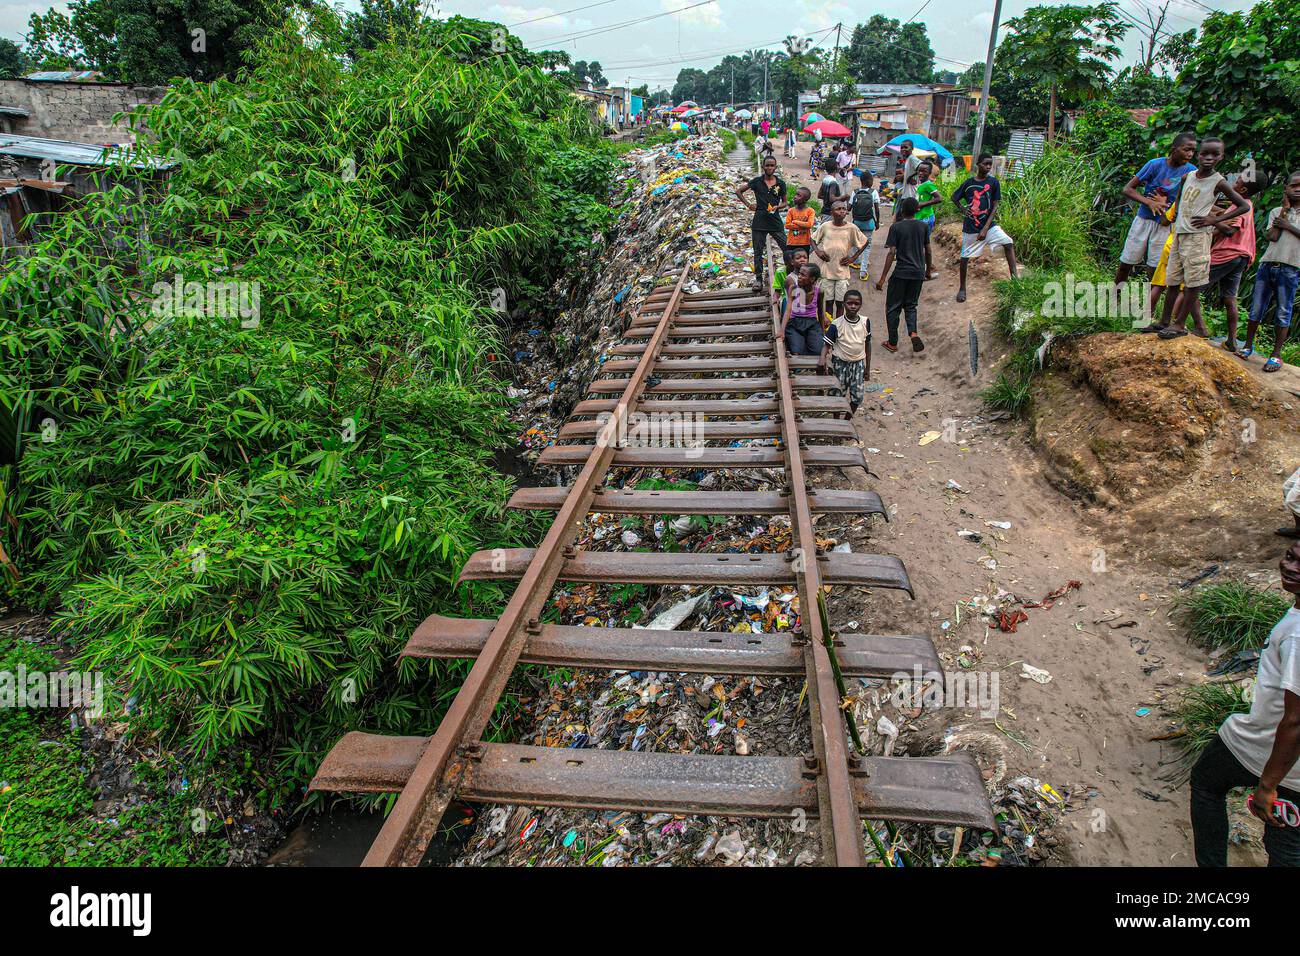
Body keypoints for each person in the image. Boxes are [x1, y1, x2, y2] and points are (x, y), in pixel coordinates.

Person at [1190, 539, 1300, 867]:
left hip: (1270, 747)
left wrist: (1267, 785)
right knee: (1287, 839)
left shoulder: (1298, 637)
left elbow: (1296, 721)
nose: (1290, 567)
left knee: (1207, 783)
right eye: (1290, 557)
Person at [1158, 138, 1251, 340]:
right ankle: (1164, 321)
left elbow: (1244, 206)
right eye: (1205, 153)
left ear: (1220, 157)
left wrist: (1214, 219)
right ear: (1198, 154)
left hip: (1198, 237)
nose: (1209, 158)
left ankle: (1179, 324)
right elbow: (1180, 199)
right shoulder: (1187, 176)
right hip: (1180, 234)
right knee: (1173, 280)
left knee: (1193, 283)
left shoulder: (1219, 182)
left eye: (1214, 154)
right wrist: (1174, 216)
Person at [1115, 133, 1199, 284]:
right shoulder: (1155, 165)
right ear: (1175, 148)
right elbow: (1128, 189)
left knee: (1155, 267)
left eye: (1193, 150)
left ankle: (1150, 304)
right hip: (1144, 220)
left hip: (1166, 224)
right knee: (1126, 262)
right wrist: (1150, 203)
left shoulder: (1192, 171)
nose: (1190, 154)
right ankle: (1115, 295)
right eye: (1187, 149)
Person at [1239, 170, 1300, 371]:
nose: (1297, 190)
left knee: (1283, 311)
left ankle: (1275, 354)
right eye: (1294, 186)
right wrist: (1284, 211)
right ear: (1286, 188)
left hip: (1291, 267)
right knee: (1256, 307)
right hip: (1268, 264)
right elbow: (1272, 237)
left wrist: (1289, 226)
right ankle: (1248, 346)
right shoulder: (1277, 211)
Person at [1204, 174, 1262, 352]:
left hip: (1227, 253)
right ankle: (1232, 341)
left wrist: (1213, 222)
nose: (1233, 183)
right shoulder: (1247, 205)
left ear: (1243, 189)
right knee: (1230, 298)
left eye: (1237, 182)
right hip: (1241, 256)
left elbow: (1229, 230)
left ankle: (1183, 324)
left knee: (1191, 287)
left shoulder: (1239, 206)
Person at [954, 153, 1018, 302]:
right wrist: (963, 209)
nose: (988, 167)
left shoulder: (993, 182)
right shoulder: (969, 183)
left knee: (1008, 243)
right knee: (965, 257)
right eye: (985, 164)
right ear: (978, 164)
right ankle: (962, 288)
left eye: (990, 164)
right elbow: (954, 197)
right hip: (971, 227)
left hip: (989, 226)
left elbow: (995, 206)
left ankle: (1015, 280)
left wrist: (986, 228)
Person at [875, 196, 928, 353]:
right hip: (918, 272)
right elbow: (928, 250)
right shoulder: (923, 226)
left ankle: (892, 342)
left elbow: (892, 252)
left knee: (893, 307)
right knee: (911, 305)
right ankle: (913, 332)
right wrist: (928, 270)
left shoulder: (896, 227)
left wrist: (883, 277)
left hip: (901, 273)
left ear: (902, 210)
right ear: (918, 210)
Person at [810, 198, 870, 321]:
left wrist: (853, 257)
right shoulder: (825, 226)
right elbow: (812, 239)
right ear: (832, 213)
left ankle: (837, 326)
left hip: (842, 272)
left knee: (840, 303)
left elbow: (865, 241)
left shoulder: (851, 228)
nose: (842, 211)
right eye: (838, 209)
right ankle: (828, 325)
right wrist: (818, 251)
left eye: (844, 209)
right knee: (828, 302)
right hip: (827, 271)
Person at [736, 154, 788, 291]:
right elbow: (739, 191)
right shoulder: (757, 182)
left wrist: (779, 207)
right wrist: (748, 204)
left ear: (775, 167)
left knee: (786, 248)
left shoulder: (780, 183)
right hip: (759, 221)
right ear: (763, 166)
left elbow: (785, 202)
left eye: (772, 165)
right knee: (758, 251)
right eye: (767, 165)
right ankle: (758, 279)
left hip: (775, 220)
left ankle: (790, 274)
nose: (769, 167)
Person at [819, 288, 871, 415]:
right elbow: (827, 345)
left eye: (856, 304)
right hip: (840, 364)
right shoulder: (836, 324)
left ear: (860, 305)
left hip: (858, 364)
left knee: (858, 397)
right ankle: (837, 420)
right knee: (837, 394)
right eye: (849, 303)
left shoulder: (865, 322)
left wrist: (867, 368)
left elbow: (867, 344)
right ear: (844, 304)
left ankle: (847, 419)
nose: (853, 306)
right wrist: (822, 359)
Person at [781, 262, 826, 355]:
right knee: (797, 351)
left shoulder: (819, 292)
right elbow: (788, 310)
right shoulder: (793, 288)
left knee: (818, 351)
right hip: (795, 323)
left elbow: (821, 313)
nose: (799, 276)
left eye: (803, 275)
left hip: (812, 323)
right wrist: (782, 330)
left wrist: (823, 333)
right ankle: (800, 369)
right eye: (799, 273)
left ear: (812, 279)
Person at [849, 172, 880, 282]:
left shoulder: (855, 192)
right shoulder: (873, 192)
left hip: (857, 223)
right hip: (869, 223)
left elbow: (848, 208)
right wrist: (877, 222)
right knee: (867, 246)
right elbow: (876, 209)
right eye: (871, 180)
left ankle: (856, 261)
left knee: (855, 242)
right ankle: (863, 272)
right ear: (868, 181)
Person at [914, 160, 943, 280]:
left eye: (924, 171)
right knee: (920, 245)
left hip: (926, 218)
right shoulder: (921, 184)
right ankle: (926, 268)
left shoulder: (928, 184)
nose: (920, 173)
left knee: (922, 246)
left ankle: (928, 270)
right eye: (919, 170)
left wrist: (921, 205)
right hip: (920, 217)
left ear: (929, 173)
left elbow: (939, 198)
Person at [785, 186, 816, 264]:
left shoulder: (810, 211)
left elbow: (809, 224)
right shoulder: (791, 211)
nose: (795, 197)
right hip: (792, 243)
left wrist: (795, 221)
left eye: (799, 195)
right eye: (796, 194)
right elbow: (787, 225)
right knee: (791, 263)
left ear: (805, 199)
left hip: (805, 243)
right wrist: (803, 225)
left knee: (803, 263)